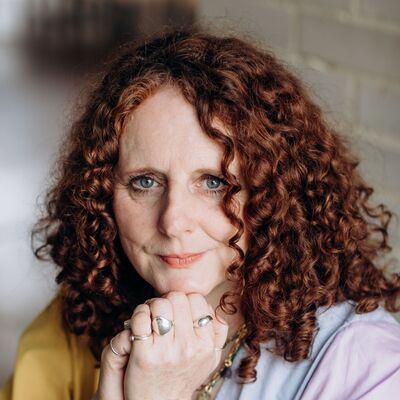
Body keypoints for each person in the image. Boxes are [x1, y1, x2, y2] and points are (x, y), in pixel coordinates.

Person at [1, 28, 400, 400]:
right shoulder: (76, 320)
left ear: (275, 193)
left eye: (213, 183)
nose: (173, 222)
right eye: (145, 182)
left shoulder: (365, 365)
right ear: (102, 194)